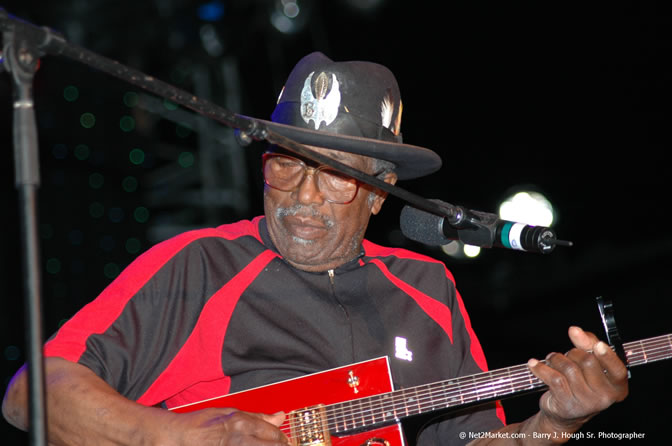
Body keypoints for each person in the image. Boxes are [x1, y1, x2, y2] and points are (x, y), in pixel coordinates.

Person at [2, 52, 627, 445]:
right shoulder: (199, 264)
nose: (302, 196)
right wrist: (168, 435)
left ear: (381, 194)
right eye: (286, 166)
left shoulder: (429, 289)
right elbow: (31, 392)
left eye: (333, 174)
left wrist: (554, 424)